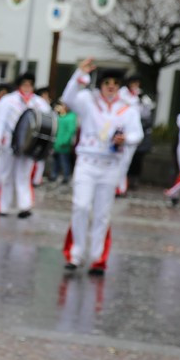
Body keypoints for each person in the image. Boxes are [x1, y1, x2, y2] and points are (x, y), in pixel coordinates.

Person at [60, 58, 143, 275]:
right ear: (101, 84)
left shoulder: (127, 109)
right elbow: (68, 98)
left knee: (102, 213)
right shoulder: (88, 100)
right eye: (107, 82)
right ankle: (76, 253)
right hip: (87, 162)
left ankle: (97, 258)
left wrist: (126, 138)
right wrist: (79, 74)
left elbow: (137, 133)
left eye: (115, 83)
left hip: (110, 165)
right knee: (80, 206)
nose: (111, 86)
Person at [0, 72, 50, 217]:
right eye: (24, 84)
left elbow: (46, 120)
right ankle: (3, 207)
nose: (27, 87)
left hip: (29, 143)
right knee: (6, 175)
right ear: (19, 85)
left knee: (24, 175)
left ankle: (25, 206)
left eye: (30, 84)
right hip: (10, 142)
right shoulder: (8, 100)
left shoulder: (39, 102)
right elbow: (0, 120)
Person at [49, 101, 77, 184]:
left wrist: (65, 141)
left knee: (64, 161)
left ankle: (66, 176)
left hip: (64, 144)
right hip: (56, 142)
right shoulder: (61, 115)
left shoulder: (71, 116)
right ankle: (54, 175)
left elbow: (70, 131)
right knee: (56, 161)